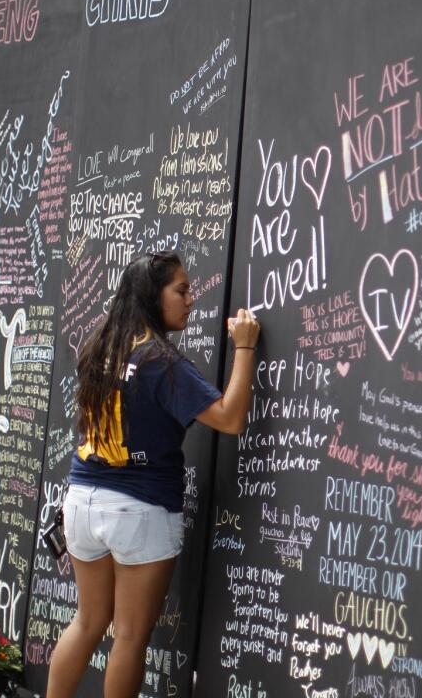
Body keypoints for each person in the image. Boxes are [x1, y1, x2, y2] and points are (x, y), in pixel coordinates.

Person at [46, 251, 259, 698]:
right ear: (152, 295)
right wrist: (245, 345)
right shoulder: (162, 361)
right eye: (181, 290)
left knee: (86, 623)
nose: (191, 299)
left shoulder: (99, 344)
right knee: (128, 636)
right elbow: (231, 417)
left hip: (81, 500)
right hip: (139, 510)